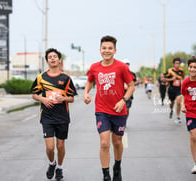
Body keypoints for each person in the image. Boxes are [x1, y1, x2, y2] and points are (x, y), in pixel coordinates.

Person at [83, 35, 135, 181]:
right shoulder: (94, 67)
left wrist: (123, 100)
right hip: (101, 110)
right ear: (100, 50)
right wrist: (86, 93)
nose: (107, 51)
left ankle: (117, 166)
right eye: (104, 48)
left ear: (115, 50)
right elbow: (89, 82)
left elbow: (131, 86)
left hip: (119, 111)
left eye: (110, 48)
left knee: (117, 142)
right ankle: (106, 175)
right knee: (104, 142)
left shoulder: (121, 67)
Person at [31, 48, 77, 180]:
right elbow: (34, 94)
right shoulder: (41, 77)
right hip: (47, 117)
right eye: (49, 57)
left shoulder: (66, 78)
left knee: (60, 145)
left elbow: (72, 98)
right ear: (47, 61)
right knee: (50, 147)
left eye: (54, 56)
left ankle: (60, 168)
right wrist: (43, 99)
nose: (52, 58)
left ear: (59, 60)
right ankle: (52, 163)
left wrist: (64, 98)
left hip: (62, 117)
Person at [164, 57, 184, 123]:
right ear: (173, 64)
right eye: (176, 63)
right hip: (171, 89)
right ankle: (171, 110)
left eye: (178, 63)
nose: (177, 65)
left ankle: (178, 117)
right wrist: (171, 79)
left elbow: (183, 78)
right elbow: (164, 79)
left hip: (178, 89)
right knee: (172, 103)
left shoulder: (181, 71)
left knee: (178, 102)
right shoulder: (170, 71)